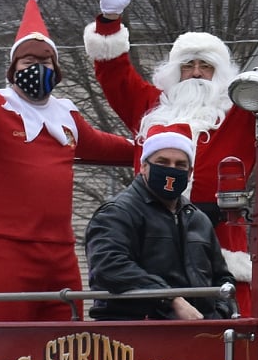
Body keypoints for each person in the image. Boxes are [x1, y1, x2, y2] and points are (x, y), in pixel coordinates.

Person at [0, 0, 138, 322]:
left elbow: (112, 147)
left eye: (45, 61)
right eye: (28, 61)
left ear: (56, 68)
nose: (37, 67)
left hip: (59, 248)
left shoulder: (66, 117)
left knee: (69, 338)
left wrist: (160, 145)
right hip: (6, 244)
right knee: (9, 335)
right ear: (13, 69)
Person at [82, 0, 258, 279]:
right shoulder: (149, 105)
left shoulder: (239, 112)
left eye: (206, 66)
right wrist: (109, 20)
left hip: (221, 242)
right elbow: (112, 73)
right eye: (188, 65)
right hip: (150, 237)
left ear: (220, 72)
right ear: (176, 70)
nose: (197, 73)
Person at [85, 124, 237, 320]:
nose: (171, 170)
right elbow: (108, 267)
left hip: (203, 335)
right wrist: (170, 299)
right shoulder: (117, 213)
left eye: (180, 165)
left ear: (190, 172)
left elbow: (222, 277)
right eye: (162, 162)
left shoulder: (198, 219)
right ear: (144, 167)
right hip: (139, 336)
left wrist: (218, 314)